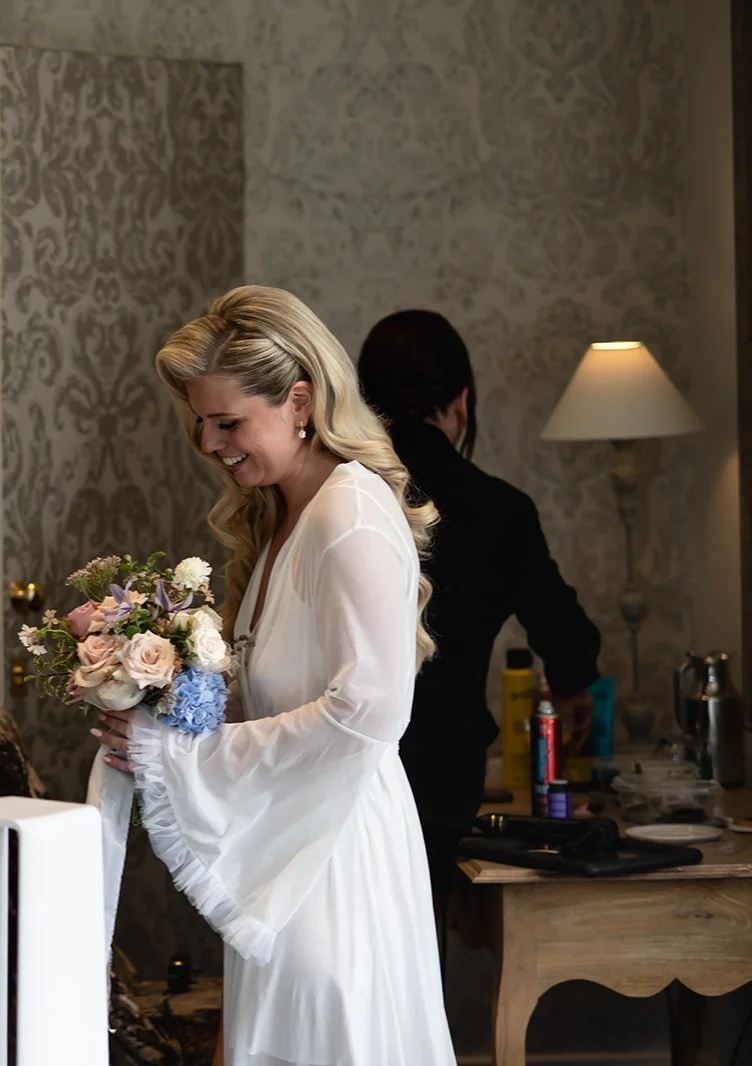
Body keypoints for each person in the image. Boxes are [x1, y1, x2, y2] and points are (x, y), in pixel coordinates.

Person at [92, 286, 456, 1065]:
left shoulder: (348, 515)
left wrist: (182, 757)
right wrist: (163, 698)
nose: (208, 441)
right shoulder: (288, 512)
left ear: (299, 400)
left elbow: (369, 713)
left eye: (228, 422)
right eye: (200, 420)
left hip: (337, 852)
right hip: (294, 836)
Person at [358, 309, 600, 904]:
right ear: (462, 401)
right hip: (443, 773)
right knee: (422, 955)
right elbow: (569, 641)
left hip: (340, 764)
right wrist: (571, 688)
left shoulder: (341, 493)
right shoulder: (500, 510)